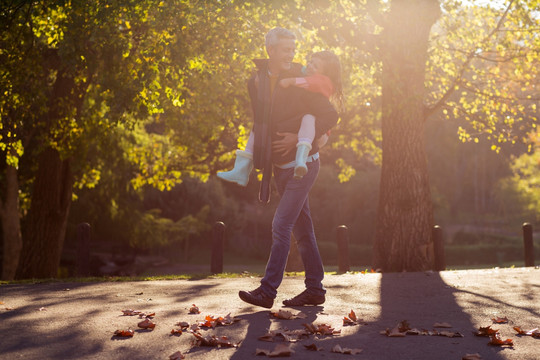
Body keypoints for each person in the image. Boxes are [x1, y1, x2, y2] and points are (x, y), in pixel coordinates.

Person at [220, 27, 339, 308]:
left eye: (293, 48)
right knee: (303, 232)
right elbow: (261, 121)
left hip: (304, 164)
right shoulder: (257, 81)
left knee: (281, 224)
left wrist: (299, 139)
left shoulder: (300, 79)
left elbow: (330, 115)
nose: (291, 54)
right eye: (285, 49)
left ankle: (267, 291)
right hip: (281, 168)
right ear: (270, 50)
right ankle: (315, 290)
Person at [217, 50, 343, 184]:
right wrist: (264, 74)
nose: (310, 66)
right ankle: (241, 169)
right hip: (305, 126)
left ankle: (301, 161)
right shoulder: (307, 72)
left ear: (324, 73)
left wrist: (290, 81)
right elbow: (293, 68)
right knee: (260, 125)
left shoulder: (322, 81)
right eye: (310, 62)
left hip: (319, 131)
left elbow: (310, 84)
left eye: (315, 66)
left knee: (308, 117)